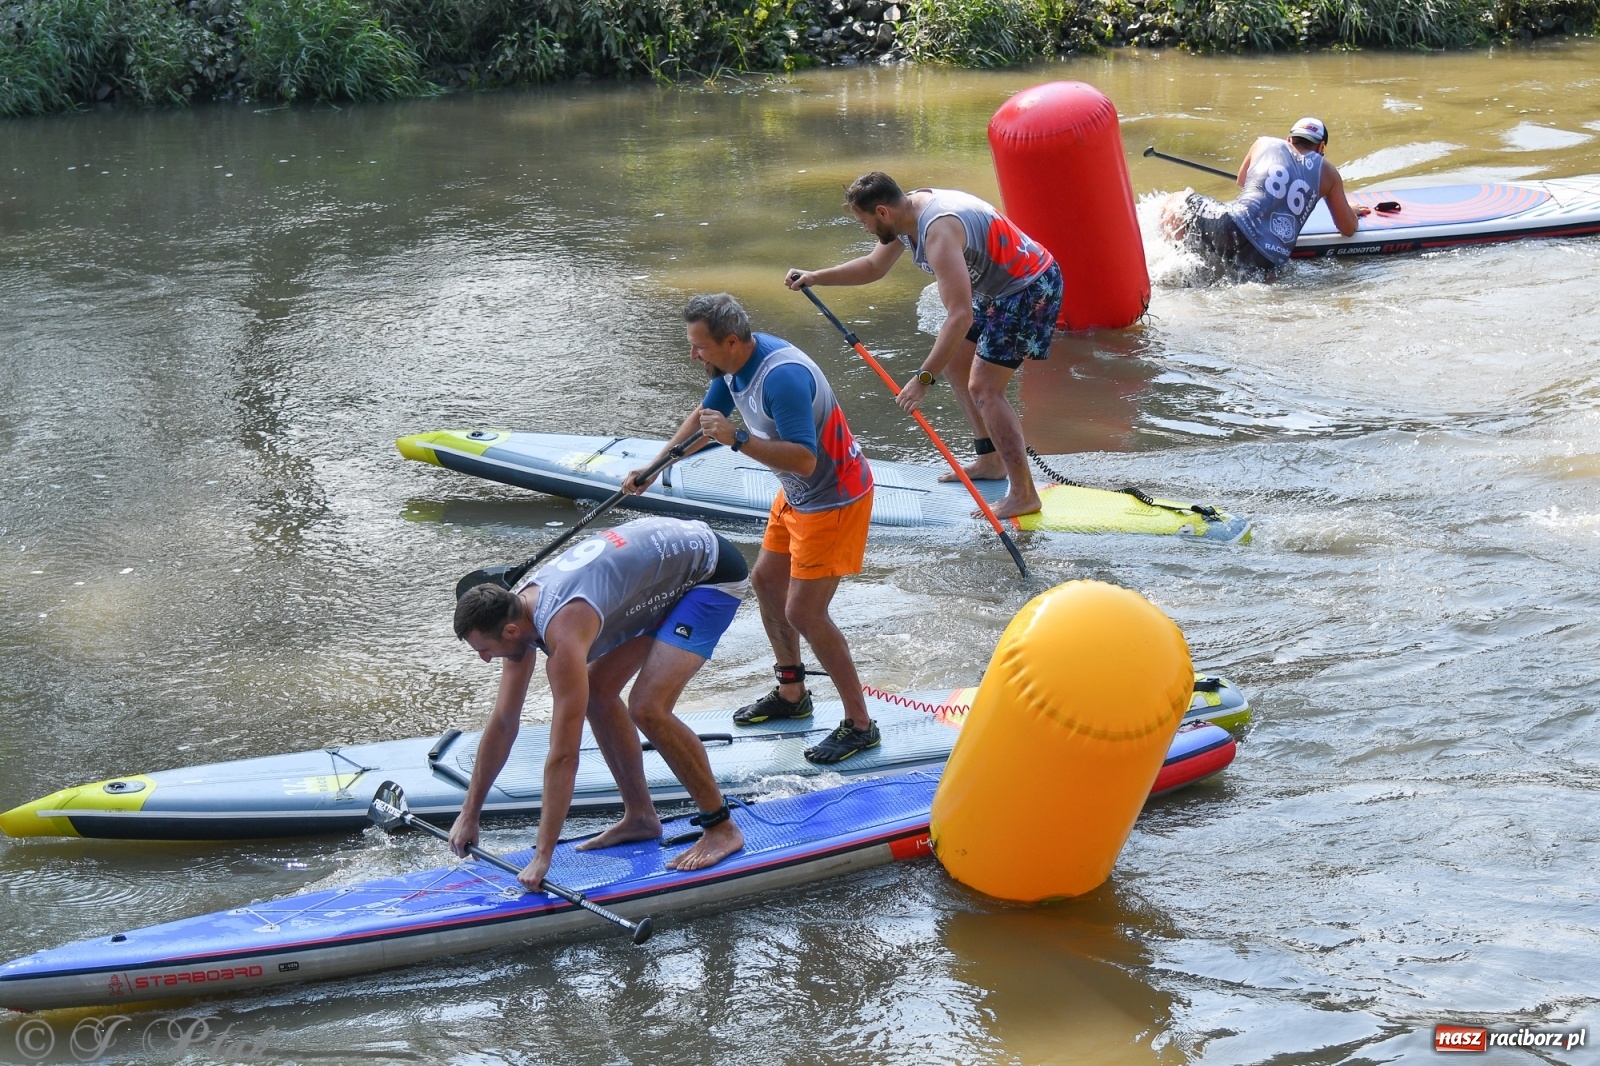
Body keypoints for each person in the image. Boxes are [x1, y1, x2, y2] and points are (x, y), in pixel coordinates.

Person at [625, 293, 879, 765]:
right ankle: (792, 694)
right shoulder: (731, 365)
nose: (693, 355)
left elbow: (804, 459)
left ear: (732, 341)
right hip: (796, 496)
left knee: (806, 613)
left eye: (699, 347)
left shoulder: (780, 378)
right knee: (764, 581)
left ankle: (861, 725)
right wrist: (656, 465)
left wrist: (738, 438)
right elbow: (706, 421)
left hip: (834, 498)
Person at [447, 515, 750, 889]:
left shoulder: (563, 631)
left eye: (485, 650)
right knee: (598, 691)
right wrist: (469, 812)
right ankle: (641, 817)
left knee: (648, 707)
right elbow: (504, 721)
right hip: (663, 571)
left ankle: (721, 827)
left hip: (710, 573)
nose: (485, 659)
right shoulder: (515, 614)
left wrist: (544, 855)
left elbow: (564, 755)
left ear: (510, 631)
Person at [784, 172, 1063, 519]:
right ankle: (991, 461)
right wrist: (816, 276)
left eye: (865, 222)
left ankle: (1024, 494)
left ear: (883, 212)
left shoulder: (938, 233)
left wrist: (922, 380)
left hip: (1029, 288)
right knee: (957, 363)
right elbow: (873, 267)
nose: (866, 230)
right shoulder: (906, 213)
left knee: (985, 389)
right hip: (997, 287)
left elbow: (959, 316)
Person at [1159, 116, 1370, 272]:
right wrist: (1347, 210)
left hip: (1231, 227)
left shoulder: (1264, 143)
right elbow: (1348, 228)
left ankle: (1175, 264)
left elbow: (1243, 183)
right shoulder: (1329, 173)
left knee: (1176, 200)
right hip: (1269, 257)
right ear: (1321, 146)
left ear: (1289, 139)